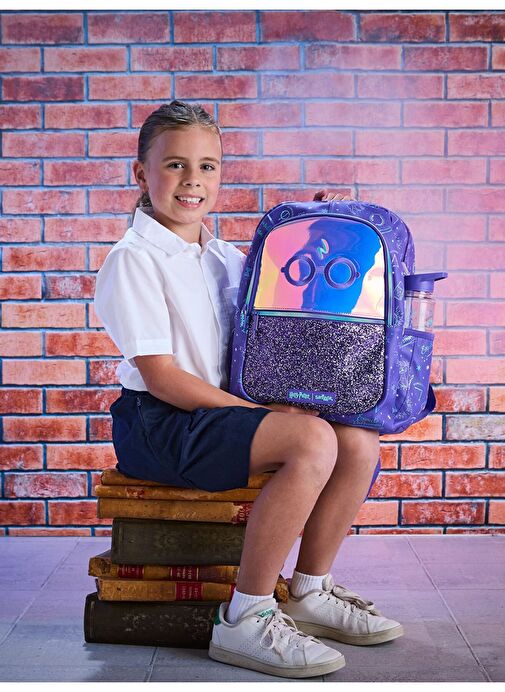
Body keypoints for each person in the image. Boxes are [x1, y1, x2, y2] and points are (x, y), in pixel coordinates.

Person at [94, 100, 403, 679]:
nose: (193, 180)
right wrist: (254, 411)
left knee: (358, 440)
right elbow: (162, 376)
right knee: (311, 441)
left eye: (207, 166)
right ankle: (246, 617)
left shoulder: (226, 258)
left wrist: (322, 231)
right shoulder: (133, 259)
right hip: (160, 424)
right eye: (176, 165)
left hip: (219, 414)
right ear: (141, 173)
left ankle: (309, 590)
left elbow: (286, 324)